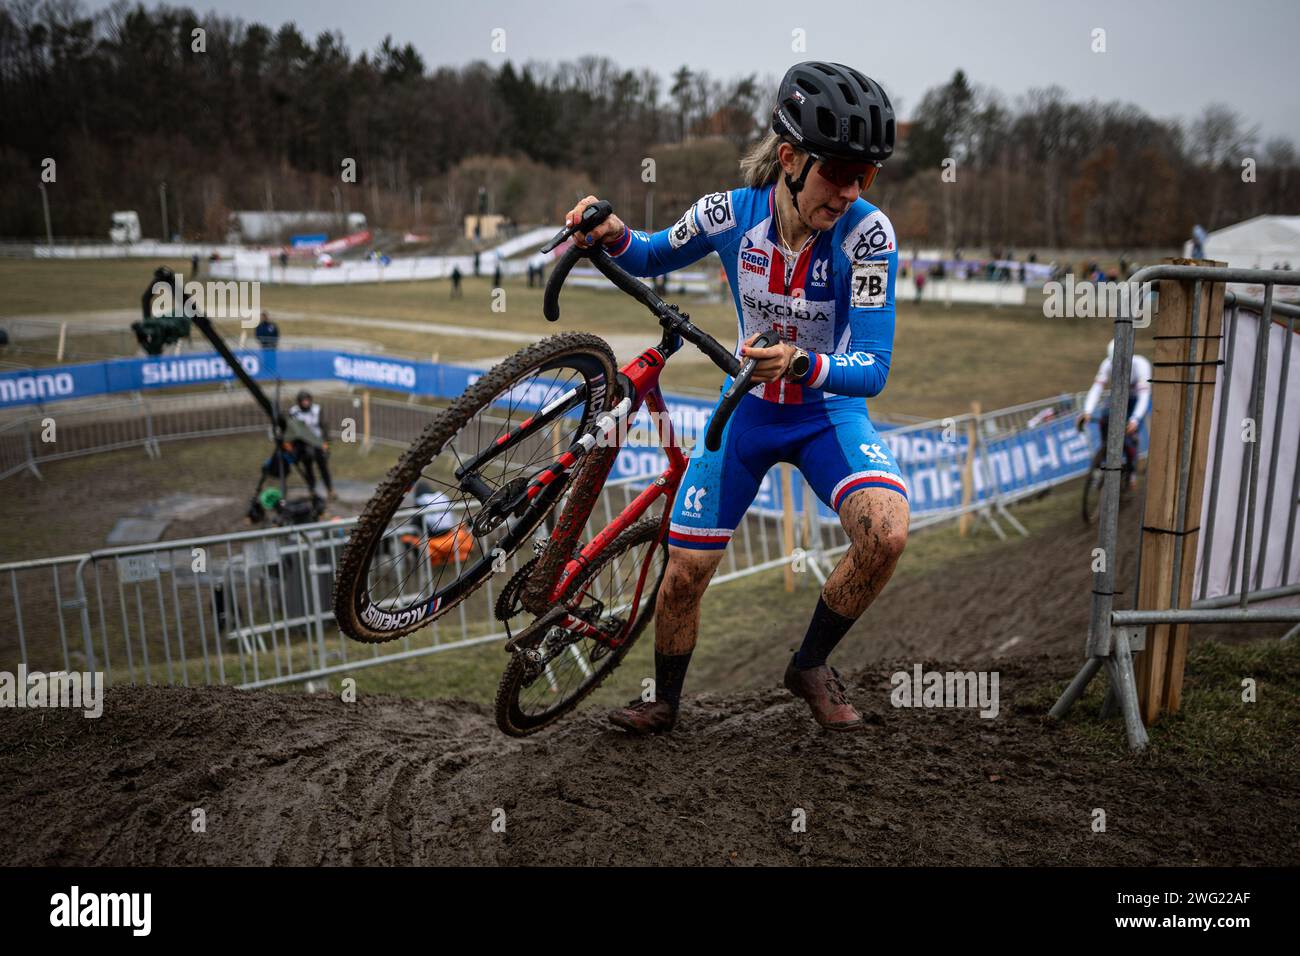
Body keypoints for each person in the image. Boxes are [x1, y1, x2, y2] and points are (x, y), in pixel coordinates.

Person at [566, 61, 908, 735]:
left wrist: (803, 362)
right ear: (789, 158)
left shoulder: (869, 236)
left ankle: (809, 664)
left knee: (887, 533)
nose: (851, 191)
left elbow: (871, 368)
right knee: (686, 570)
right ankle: (665, 702)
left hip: (825, 415)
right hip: (746, 412)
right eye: (839, 172)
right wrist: (611, 234)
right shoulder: (729, 212)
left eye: (865, 176)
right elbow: (650, 253)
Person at [1078, 340, 1152, 490]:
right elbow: (1097, 389)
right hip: (1118, 396)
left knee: (1130, 436)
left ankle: (1131, 472)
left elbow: (1144, 397)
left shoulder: (1141, 365)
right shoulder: (1106, 365)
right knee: (1105, 417)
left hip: (1136, 399)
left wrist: (1135, 419)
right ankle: (1105, 450)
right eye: (1114, 364)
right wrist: (1087, 411)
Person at [288, 389, 335, 500]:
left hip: (317, 442)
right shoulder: (294, 412)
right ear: (299, 402)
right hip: (303, 444)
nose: (305, 403)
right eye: (303, 401)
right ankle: (312, 490)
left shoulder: (317, 409)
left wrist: (327, 445)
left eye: (307, 400)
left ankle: (330, 490)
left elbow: (324, 427)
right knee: (308, 467)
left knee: (323, 467)